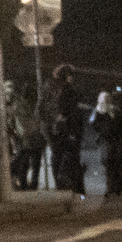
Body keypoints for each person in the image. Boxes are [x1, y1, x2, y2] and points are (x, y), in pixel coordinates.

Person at [43, 65, 86, 197]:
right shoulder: (67, 90)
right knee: (71, 158)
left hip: (55, 130)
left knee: (58, 158)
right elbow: (71, 111)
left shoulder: (49, 89)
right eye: (70, 75)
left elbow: (42, 110)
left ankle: (62, 187)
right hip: (67, 130)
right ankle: (76, 188)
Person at [94, 90, 122, 196]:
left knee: (115, 165)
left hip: (114, 141)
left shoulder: (113, 111)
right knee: (111, 165)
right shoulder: (100, 112)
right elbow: (95, 125)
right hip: (109, 141)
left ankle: (116, 187)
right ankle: (112, 187)